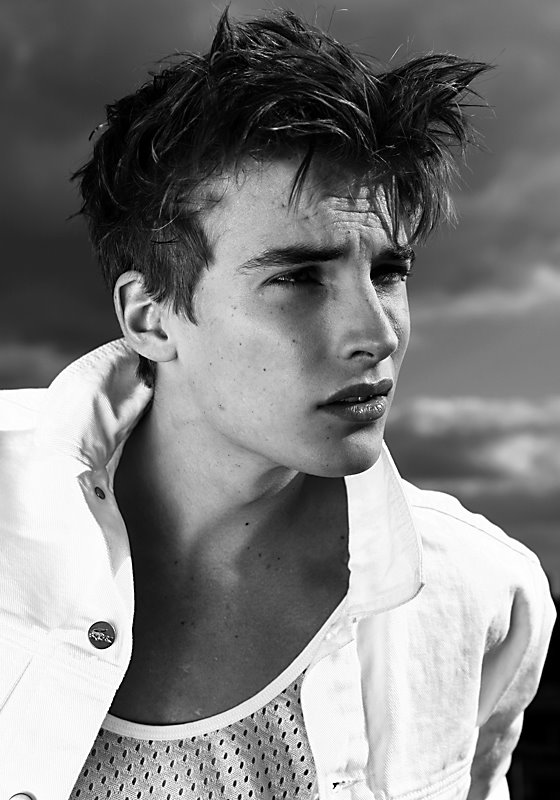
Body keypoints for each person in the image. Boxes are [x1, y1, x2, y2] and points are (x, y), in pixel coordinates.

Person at [0, 9, 555, 800]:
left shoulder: (481, 593)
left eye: (389, 272)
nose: (377, 333)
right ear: (150, 317)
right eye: (297, 278)